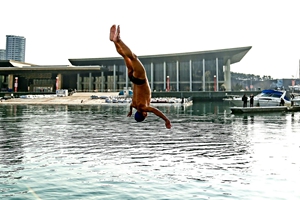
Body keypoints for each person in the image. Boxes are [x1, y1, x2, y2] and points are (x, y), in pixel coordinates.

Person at [110, 25, 171, 129]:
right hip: (132, 78)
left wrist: (166, 120)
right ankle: (114, 42)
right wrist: (130, 111)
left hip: (140, 79)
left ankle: (118, 40)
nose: (146, 114)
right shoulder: (134, 105)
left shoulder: (144, 107)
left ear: (143, 114)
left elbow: (155, 111)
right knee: (125, 56)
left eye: (145, 115)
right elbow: (130, 106)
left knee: (133, 57)